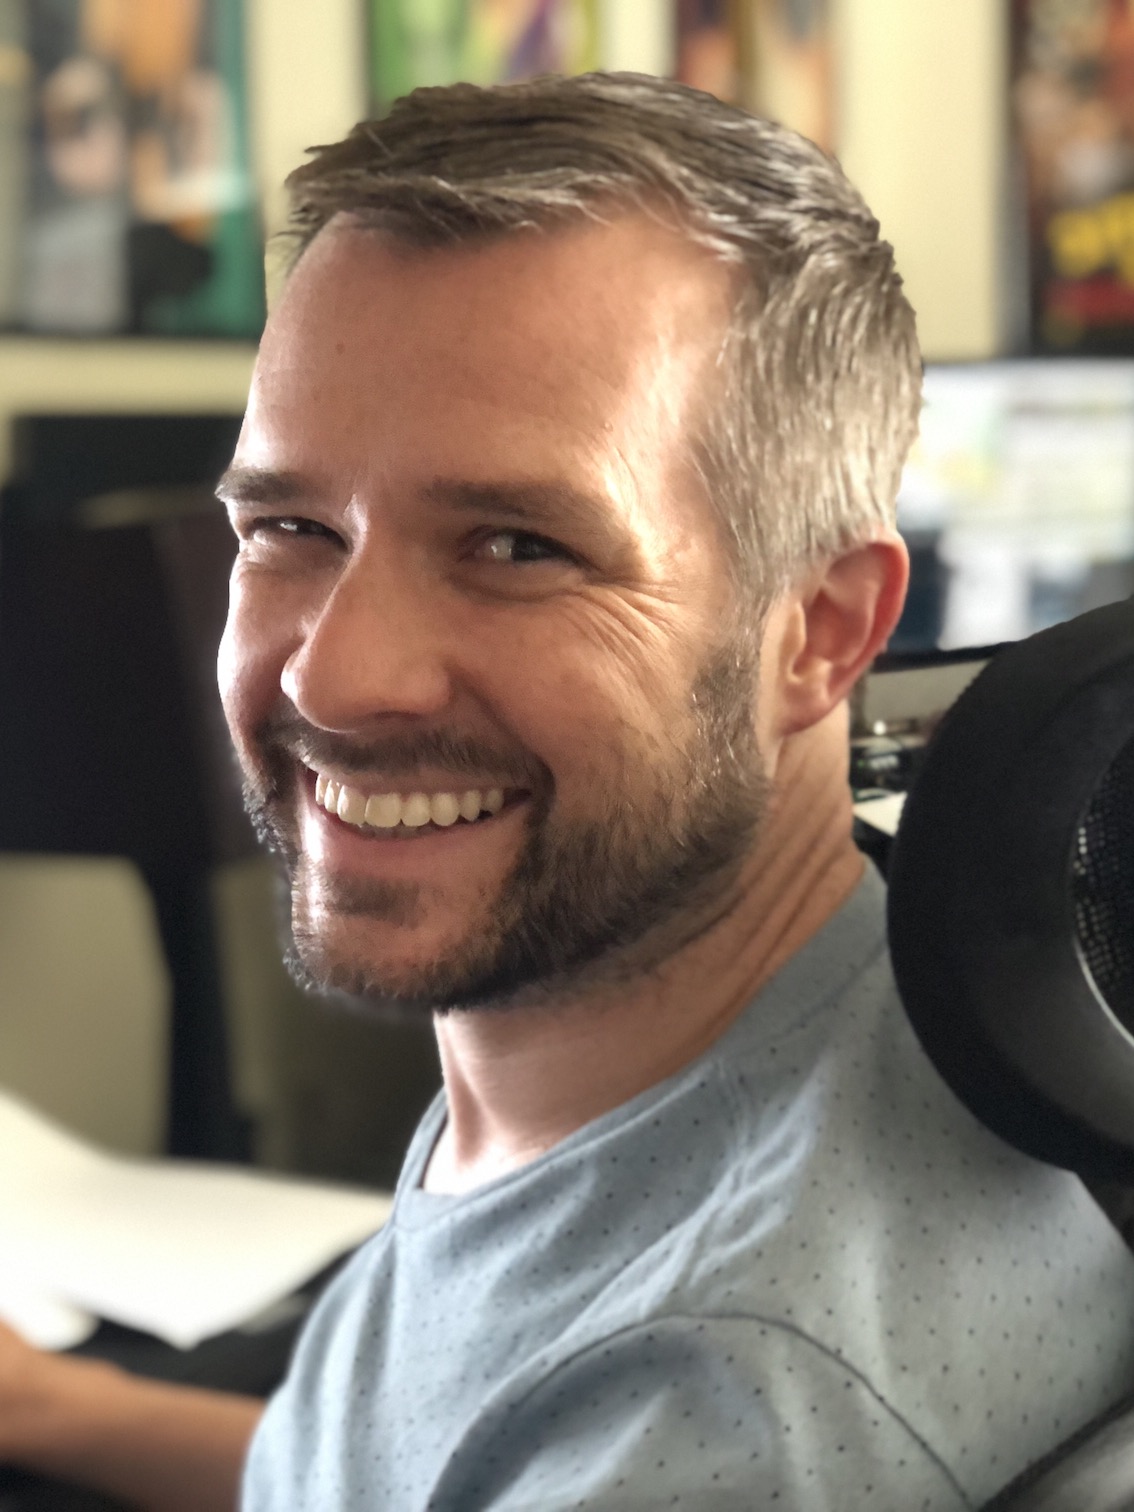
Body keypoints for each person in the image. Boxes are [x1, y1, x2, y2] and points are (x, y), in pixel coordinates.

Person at [2, 70, 1134, 1512]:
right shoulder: (682, 1031)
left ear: (820, 631)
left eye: (518, 547)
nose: (336, 678)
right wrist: (60, 1408)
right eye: (288, 526)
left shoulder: (731, 1399)